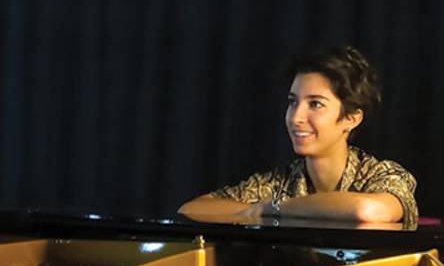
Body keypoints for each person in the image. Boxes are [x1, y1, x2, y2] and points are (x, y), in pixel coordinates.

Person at [178, 46, 418, 227]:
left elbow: (367, 211)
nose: (295, 118)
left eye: (315, 104)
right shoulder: (279, 181)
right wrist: (261, 209)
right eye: (293, 102)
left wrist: (273, 209)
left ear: (351, 118)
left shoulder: (383, 174)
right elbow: (192, 209)